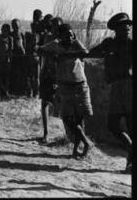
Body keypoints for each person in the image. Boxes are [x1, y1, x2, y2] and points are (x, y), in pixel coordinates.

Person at [86, 12, 132, 173]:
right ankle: (131, 149)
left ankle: (130, 163)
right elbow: (91, 53)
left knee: (131, 126)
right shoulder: (109, 44)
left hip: (130, 87)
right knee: (112, 124)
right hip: (116, 87)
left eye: (128, 25)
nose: (127, 27)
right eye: (123, 25)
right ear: (116, 29)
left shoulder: (132, 44)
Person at [38, 23, 92, 159]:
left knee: (79, 119)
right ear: (60, 36)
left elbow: (85, 53)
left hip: (80, 86)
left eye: (71, 34)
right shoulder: (56, 44)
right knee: (67, 119)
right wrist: (51, 55)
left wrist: (65, 55)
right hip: (65, 87)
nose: (69, 37)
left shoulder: (76, 43)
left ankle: (76, 150)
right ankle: (86, 142)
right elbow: (38, 50)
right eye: (66, 35)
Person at [38, 14, 57, 143]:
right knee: (44, 103)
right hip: (47, 73)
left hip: (60, 75)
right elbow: (40, 51)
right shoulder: (48, 37)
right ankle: (46, 133)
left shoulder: (64, 39)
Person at [0, 23, 12, 99]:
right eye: (3, 30)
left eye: (6, 30)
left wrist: (9, 57)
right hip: (0, 59)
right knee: (0, 75)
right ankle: (1, 91)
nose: (4, 31)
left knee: (7, 76)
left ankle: (6, 91)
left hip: (7, 59)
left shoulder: (10, 38)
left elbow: (11, 49)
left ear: (8, 31)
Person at [10, 19, 26, 95]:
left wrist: (24, 52)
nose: (15, 26)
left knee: (22, 72)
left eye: (16, 25)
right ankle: (14, 89)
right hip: (14, 56)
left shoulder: (21, 34)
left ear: (19, 25)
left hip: (21, 55)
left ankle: (21, 90)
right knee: (14, 72)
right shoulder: (11, 34)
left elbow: (24, 44)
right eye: (13, 25)